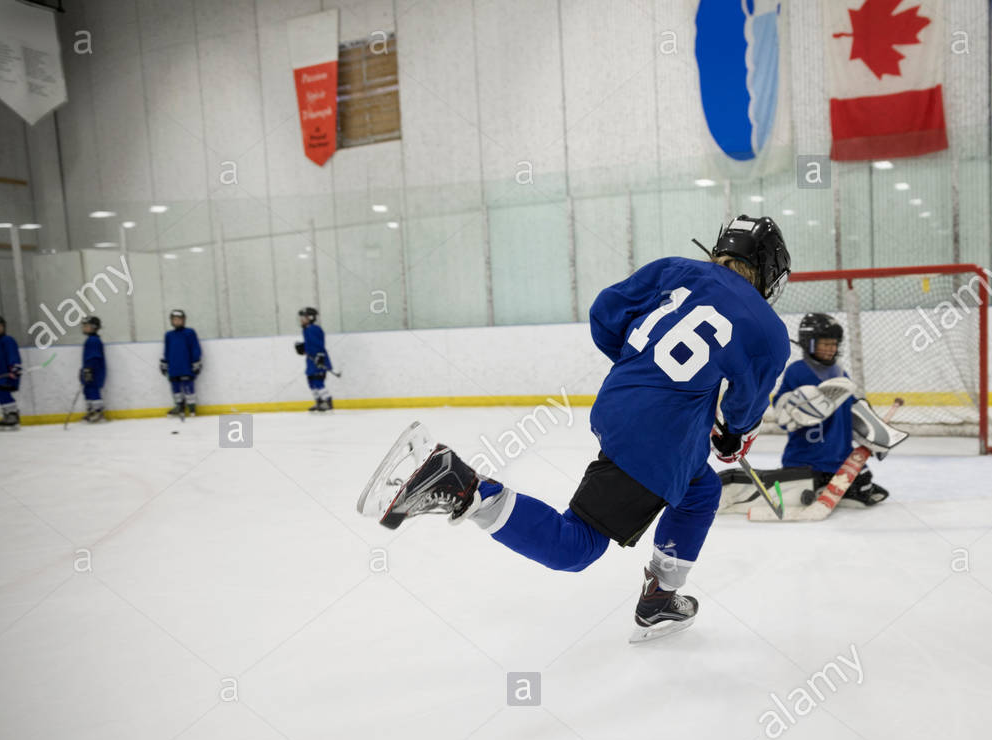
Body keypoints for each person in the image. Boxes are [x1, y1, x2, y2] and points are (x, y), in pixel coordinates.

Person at [359, 215, 792, 641]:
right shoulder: (768, 330)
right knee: (576, 548)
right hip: (658, 437)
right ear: (770, 271)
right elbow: (744, 407)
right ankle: (465, 487)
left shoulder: (674, 269)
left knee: (699, 489)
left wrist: (639, 372)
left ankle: (660, 596)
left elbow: (605, 312)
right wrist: (733, 434)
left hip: (617, 403)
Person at [719, 312, 891, 514]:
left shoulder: (841, 374)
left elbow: (851, 413)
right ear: (808, 342)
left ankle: (828, 484)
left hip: (840, 460)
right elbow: (783, 415)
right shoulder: (797, 371)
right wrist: (798, 408)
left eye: (834, 344)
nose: (831, 349)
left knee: (863, 487)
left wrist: (876, 434)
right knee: (800, 490)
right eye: (824, 343)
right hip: (805, 460)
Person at [160, 309, 202, 416]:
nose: (177, 321)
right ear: (171, 321)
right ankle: (179, 406)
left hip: (186, 366)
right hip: (173, 367)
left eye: (179, 319)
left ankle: (191, 407)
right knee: (175, 386)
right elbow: (167, 350)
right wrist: (165, 362)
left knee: (188, 385)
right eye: (174, 320)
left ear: (183, 320)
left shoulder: (190, 332)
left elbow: (195, 348)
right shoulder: (169, 335)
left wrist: (196, 361)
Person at [294, 306, 333, 412]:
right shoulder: (306, 330)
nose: (301, 319)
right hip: (311, 361)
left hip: (318, 359)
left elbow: (319, 344)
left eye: (304, 317)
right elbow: (310, 344)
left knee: (318, 381)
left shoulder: (314, 329)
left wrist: (320, 356)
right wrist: (303, 347)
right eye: (301, 317)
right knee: (311, 381)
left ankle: (328, 401)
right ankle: (319, 402)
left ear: (311, 318)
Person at [80, 316, 108, 423]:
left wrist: (89, 370)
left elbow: (94, 357)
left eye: (86, 326)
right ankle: (91, 411)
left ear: (93, 327)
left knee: (93, 389)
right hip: (89, 370)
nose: (83, 328)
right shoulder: (90, 340)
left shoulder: (93, 340)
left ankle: (98, 412)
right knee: (87, 389)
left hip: (94, 371)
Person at [0, 315, 20, 430]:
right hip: (0, 375)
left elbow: (13, 356)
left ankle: (12, 415)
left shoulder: (7, 340)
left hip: (8, 374)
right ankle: (8, 414)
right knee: (1, 394)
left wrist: (15, 368)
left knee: (3, 392)